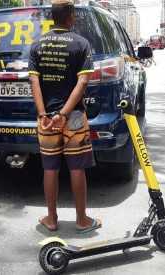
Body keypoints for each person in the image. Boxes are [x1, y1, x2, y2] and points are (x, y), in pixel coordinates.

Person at [28, 0, 101, 233]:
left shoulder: (37, 44)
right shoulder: (81, 44)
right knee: (77, 168)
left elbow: (34, 81)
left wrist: (43, 114)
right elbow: (82, 82)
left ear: (52, 17)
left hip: (46, 118)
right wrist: (65, 113)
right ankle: (81, 220)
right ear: (70, 16)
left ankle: (51, 219)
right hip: (75, 116)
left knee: (50, 169)